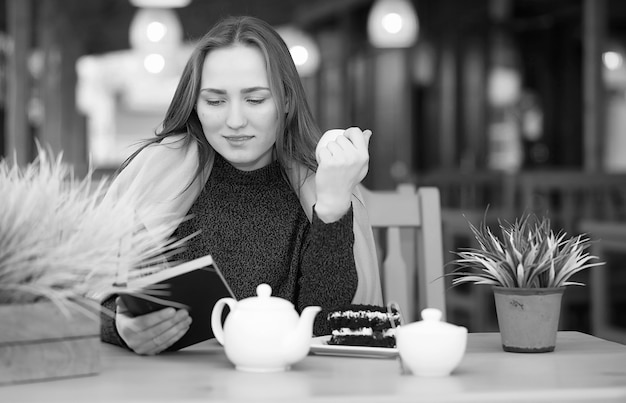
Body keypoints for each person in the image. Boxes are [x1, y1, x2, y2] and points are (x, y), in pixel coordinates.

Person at [100, 15, 382, 355]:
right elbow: (80, 302)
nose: (234, 121)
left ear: (287, 101)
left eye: (256, 99)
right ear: (195, 104)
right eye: (215, 101)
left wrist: (333, 208)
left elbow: (327, 330)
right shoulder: (155, 176)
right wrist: (120, 326)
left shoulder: (320, 185)